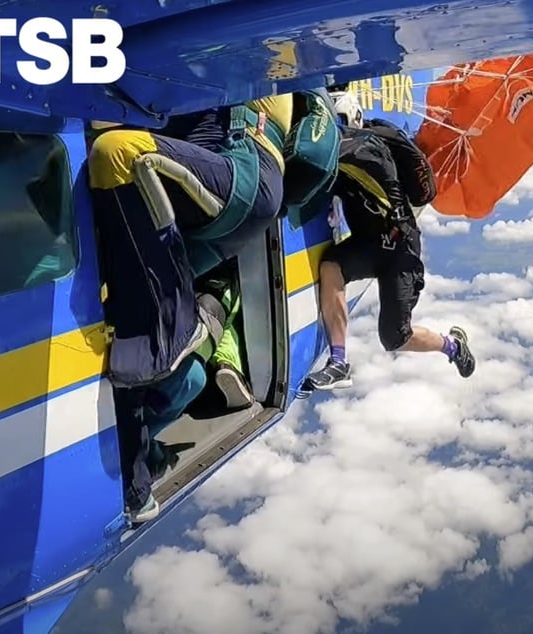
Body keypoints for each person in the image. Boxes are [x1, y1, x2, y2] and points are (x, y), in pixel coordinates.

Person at [87, 94, 292, 522]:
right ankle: (136, 479)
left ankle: (182, 332)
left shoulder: (249, 48)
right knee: (126, 304)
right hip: (200, 198)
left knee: (117, 153)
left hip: (242, 175)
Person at [304, 92, 476, 392]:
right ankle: (338, 363)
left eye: (337, 125)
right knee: (331, 266)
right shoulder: (352, 148)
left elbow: (345, 153)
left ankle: (452, 346)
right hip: (370, 243)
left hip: (400, 250)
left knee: (396, 337)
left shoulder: (368, 147)